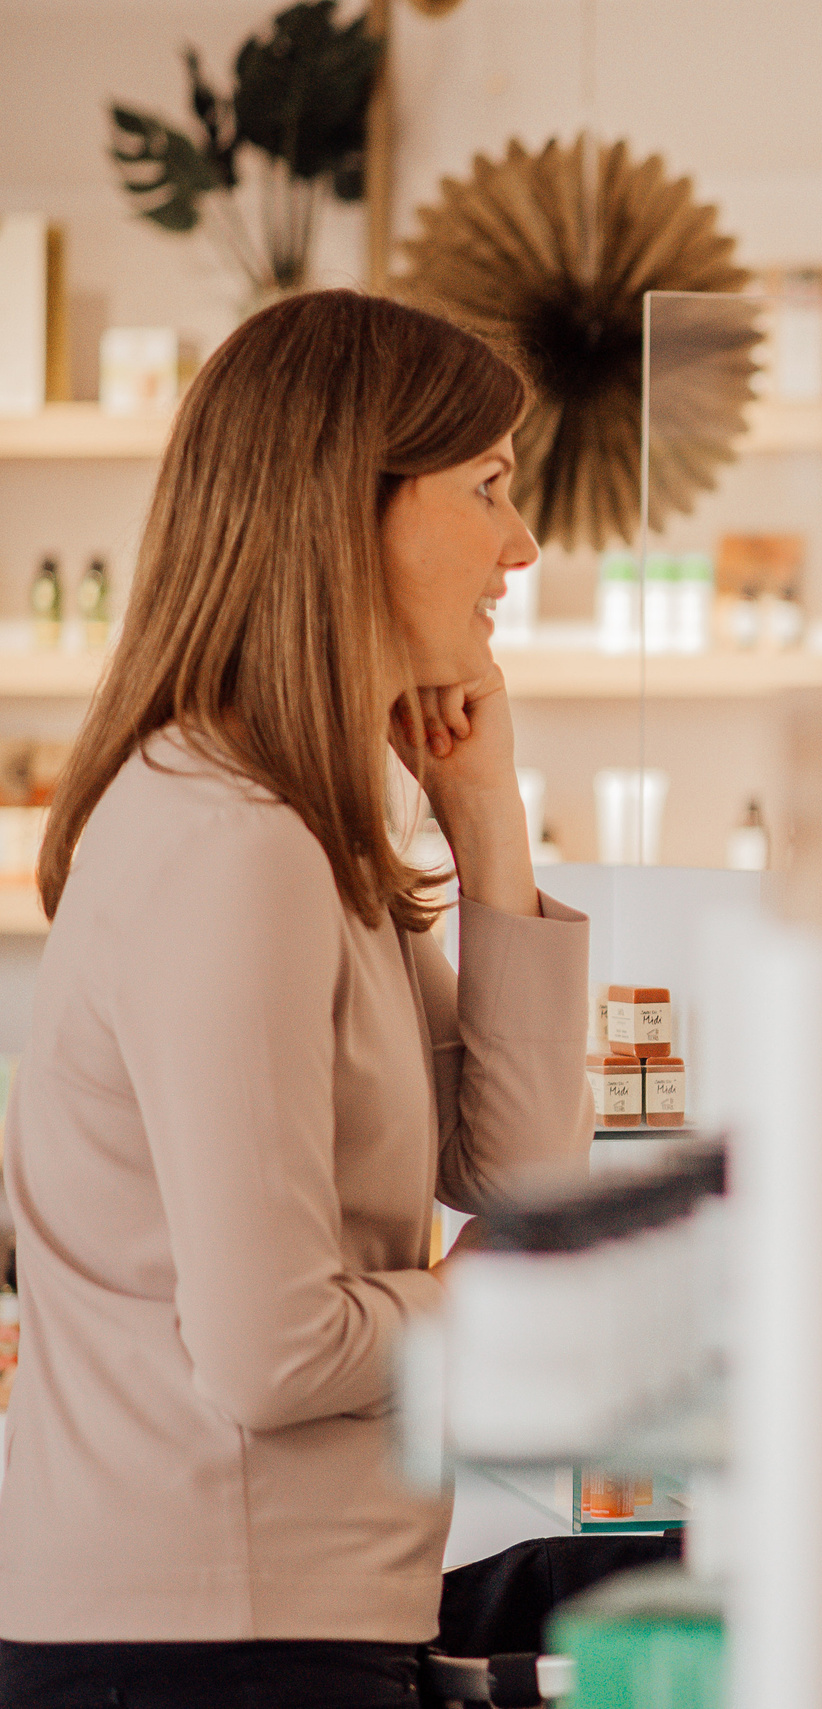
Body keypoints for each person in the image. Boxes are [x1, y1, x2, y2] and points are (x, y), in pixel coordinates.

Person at [0, 291, 590, 1708]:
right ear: (350, 508)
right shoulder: (235, 844)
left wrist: (485, 821)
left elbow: (520, 1176)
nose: (523, 545)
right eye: (491, 488)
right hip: (208, 1641)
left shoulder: (296, 830)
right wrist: (479, 1302)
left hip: (268, 1616)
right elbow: (274, 1353)